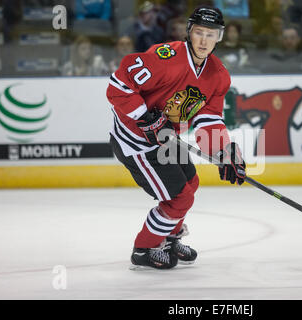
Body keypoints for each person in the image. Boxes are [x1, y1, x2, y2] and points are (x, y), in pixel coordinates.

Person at [106, 5, 246, 270]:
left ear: (220, 37)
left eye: (211, 34)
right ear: (190, 32)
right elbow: (118, 86)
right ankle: (144, 248)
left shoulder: (218, 75)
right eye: (199, 33)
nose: (204, 40)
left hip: (167, 140)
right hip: (136, 143)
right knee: (180, 198)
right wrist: (146, 118)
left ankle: (168, 239)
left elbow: (209, 120)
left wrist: (225, 152)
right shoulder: (166, 58)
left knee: (190, 184)